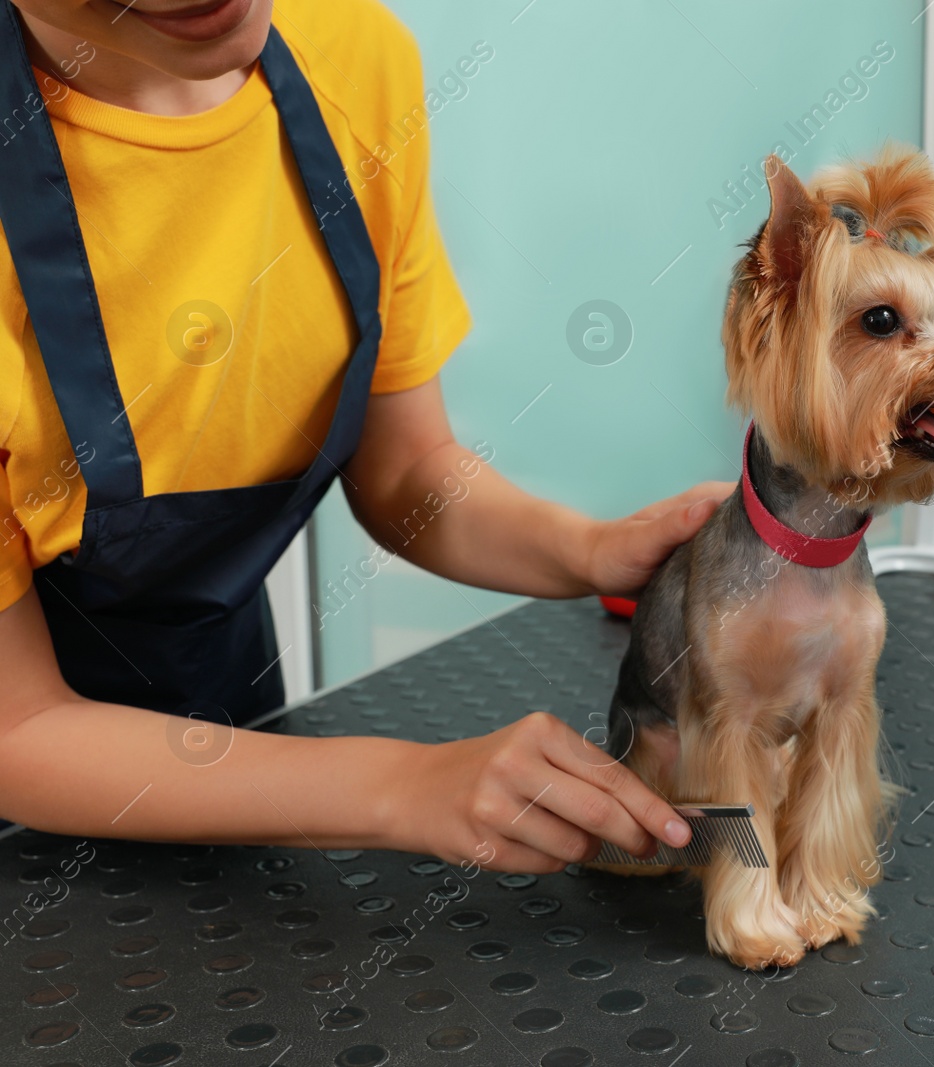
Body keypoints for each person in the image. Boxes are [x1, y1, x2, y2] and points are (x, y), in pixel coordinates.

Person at [0, 0, 730, 872]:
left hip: (243, 745)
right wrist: (401, 788)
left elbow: (408, 469)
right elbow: (20, 727)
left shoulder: (352, 58)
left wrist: (591, 549)